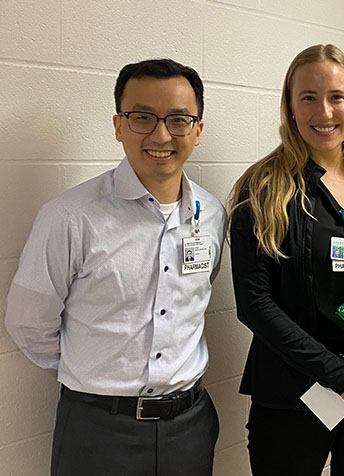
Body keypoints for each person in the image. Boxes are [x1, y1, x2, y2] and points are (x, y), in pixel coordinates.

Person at [4, 59, 225, 475]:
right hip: (98, 431)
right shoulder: (71, 217)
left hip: (189, 427)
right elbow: (29, 323)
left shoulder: (212, 214)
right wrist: (94, 374)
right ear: (118, 125)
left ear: (197, 130)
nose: (161, 135)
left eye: (179, 119)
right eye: (142, 117)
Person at [229, 44, 344, 476]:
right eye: (308, 97)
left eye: (336, 97)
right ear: (290, 107)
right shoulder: (263, 188)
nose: (324, 112)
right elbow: (255, 305)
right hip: (292, 395)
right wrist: (340, 376)